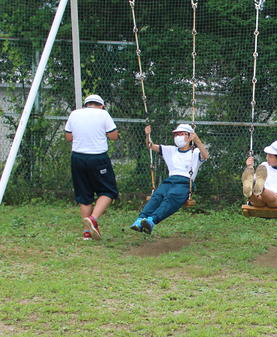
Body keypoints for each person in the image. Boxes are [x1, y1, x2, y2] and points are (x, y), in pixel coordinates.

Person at [130, 123, 208, 234]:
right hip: (169, 181)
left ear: (189, 136)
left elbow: (205, 156)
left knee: (172, 197)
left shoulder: (195, 152)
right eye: (176, 134)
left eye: (181, 134)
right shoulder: (170, 150)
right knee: (157, 196)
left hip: (185, 183)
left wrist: (197, 140)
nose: (177, 137)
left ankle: (151, 221)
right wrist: (147, 135)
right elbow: (150, 146)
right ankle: (140, 220)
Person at [65, 94, 120, 241]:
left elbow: (68, 137)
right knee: (108, 190)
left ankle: (87, 232)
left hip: (77, 158)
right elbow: (113, 136)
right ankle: (93, 219)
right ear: (102, 105)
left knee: (84, 195)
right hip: (98, 158)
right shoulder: (103, 114)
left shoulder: (74, 114)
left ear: (86, 105)